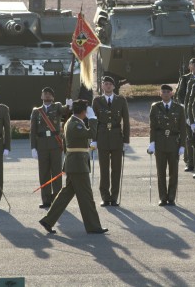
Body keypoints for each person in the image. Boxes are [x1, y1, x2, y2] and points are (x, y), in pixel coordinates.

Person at [39, 100, 108, 234]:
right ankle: (93, 226)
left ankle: (48, 220)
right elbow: (91, 134)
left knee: (65, 194)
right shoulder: (75, 124)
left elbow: (69, 144)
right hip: (78, 165)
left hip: (75, 163)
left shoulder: (73, 122)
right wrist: (93, 119)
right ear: (84, 111)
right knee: (86, 197)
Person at [30, 87, 72, 209]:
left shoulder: (57, 106)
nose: (47, 95)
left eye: (50, 94)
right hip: (42, 145)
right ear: (41, 96)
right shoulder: (36, 111)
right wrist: (33, 147)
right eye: (45, 93)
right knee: (43, 173)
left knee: (56, 173)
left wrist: (69, 104)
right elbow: (33, 131)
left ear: (53, 97)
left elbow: (65, 111)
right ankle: (46, 200)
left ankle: (57, 200)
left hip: (55, 144)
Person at [92, 76, 130, 206]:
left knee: (116, 169)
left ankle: (114, 197)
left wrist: (126, 140)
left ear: (114, 87)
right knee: (103, 169)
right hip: (102, 137)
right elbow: (93, 121)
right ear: (102, 86)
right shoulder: (97, 101)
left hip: (116, 137)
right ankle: (105, 196)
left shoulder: (121, 100)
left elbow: (126, 121)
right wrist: (94, 139)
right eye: (105, 84)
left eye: (110, 84)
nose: (108, 86)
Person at [147, 84, 186, 206]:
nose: (165, 93)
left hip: (174, 142)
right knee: (161, 172)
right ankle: (163, 197)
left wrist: (182, 145)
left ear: (172, 94)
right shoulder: (155, 107)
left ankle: (171, 197)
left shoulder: (179, 108)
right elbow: (152, 127)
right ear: (160, 94)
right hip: (160, 142)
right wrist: (152, 143)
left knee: (173, 172)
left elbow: (183, 128)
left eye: (167, 92)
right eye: (163, 92)